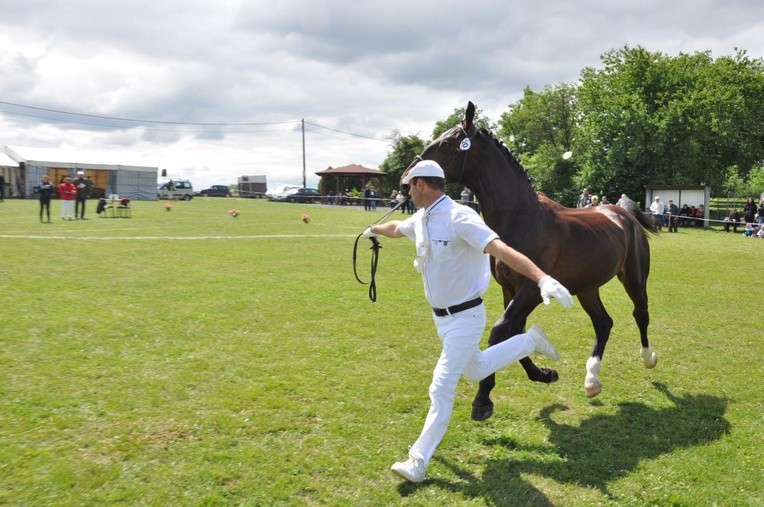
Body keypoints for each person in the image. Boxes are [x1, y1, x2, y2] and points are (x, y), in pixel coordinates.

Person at [361, 160, 573, 483]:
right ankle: (530, 341)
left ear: (421, 185)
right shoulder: (422, 218)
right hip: (443, 322)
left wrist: (542, 278)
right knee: (476, 368)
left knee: (441, 386)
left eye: (408, 186)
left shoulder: (460, 217)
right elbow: (398, 228)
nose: (406, 193)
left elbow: (500, 247)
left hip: (467, 317)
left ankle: (418, 461)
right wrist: (374, 229)